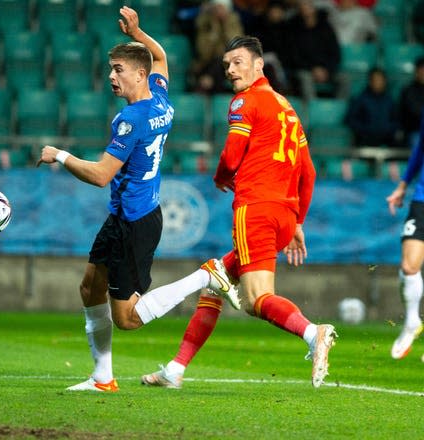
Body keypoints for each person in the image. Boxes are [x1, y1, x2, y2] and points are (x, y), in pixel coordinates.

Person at [133, 36, 337, 389]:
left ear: (259, 64)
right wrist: (298, 221)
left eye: (238, 62)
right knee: (214, 285)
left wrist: (221, 177)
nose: (230, 70)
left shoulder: (245, 101)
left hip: (256, 208)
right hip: (284, 215)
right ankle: (175, 370)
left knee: (257, 300)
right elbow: (310, 172)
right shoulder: (286, 107)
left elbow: (230, 157)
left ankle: (312, 333)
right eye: (227, 64)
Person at [36, 6, 173, 392]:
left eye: (119, 70)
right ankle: (102, 378)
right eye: (111, 69)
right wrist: (139, 32)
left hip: (136, 221)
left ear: (139, 75)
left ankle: (203, 276)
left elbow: (100, 175)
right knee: (90, 286)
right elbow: (160, 57)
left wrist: (59, 155)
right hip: (123, 215)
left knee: (127, 318)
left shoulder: (132, 120)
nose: (112, 77)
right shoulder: (161, 98)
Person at [385, 117, 424, 360]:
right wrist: (403, 185)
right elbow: (421, 147)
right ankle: (412, 321)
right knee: (409, 265)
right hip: (422, 198)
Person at [285, 0, 349, 100]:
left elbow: (335, 53)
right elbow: (294, 56)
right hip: (306, 69)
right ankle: (313, 110)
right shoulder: (295, 30)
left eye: (308, 6)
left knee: (345, 79)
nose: (306, 9)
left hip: (327, 69)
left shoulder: (326, 27)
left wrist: (327, 69)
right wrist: (312, 69)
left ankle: (338, 110)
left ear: (314, 9)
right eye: (302, 6)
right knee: (305, 78)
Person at [190, 0, 244, 95]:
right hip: (208, 63)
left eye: (222, 8)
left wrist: (226, 28)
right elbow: (204, 53)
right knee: (217, 62)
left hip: (229, 65)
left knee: (223, 61)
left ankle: (208, 80)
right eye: (217, 8)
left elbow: (236, 48)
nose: (219, 11)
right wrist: (214, 31)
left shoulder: (234, 23)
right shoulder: (205, 25)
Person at [344, 68, 399, 147]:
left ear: (385, 81)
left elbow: (397, 120)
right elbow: (350, 119)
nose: (378, 82)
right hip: (365, 139)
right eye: (375, 80)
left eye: (380, 80)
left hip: (386, 139)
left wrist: (387, 128)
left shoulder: (390, 100)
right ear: (370, 81)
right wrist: (366, 129)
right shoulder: (360, 99)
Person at [398, 57, 424, 149]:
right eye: (421, 70)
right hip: (415, 131)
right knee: (416, 140)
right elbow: (415, 112)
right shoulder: (408, 91)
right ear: (416, 72)